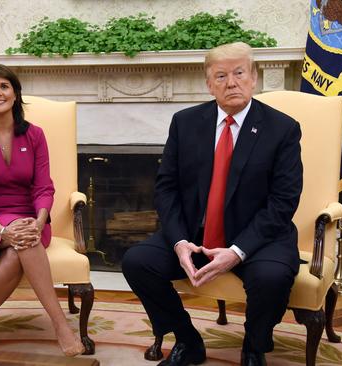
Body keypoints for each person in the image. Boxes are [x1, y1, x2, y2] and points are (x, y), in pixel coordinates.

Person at [122, 42, 303, 366]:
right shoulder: (185, 122)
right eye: (220, 75)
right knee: (137, 261)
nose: (230, 82)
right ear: (208, 83)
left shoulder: (283, 129)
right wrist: (178, 242)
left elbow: (283, 201)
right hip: (196, 234)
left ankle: (253, 346)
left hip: (258, 238)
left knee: (272, 278)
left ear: (254, 78)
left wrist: (237, 251)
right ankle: (187, 339)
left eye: (238, 73)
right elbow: (166, 189)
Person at [0, 64, 84, 357]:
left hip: (31, 219)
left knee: (19, 247)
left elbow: (43, 188)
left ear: (15, 93)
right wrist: (1, 230)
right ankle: (61, 326)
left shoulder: (35, 135)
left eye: (4, 86)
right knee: (21, 242)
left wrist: (40, 222)